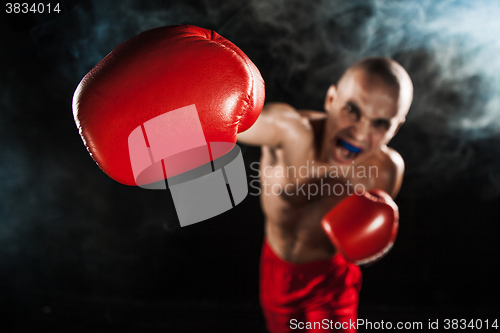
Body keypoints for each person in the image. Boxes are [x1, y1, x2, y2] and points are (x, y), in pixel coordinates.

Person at [237, 57, 413, 333]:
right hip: (274, 272)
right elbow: (227, 120)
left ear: (396, 128)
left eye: (380, 124)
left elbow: (361, 242)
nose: (361, 133)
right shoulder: (287, 132)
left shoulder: (385, 172)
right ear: (331, 99)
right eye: (352, 110)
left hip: (330, 284)